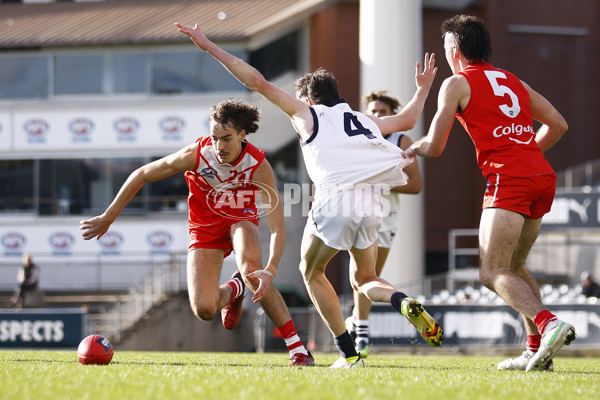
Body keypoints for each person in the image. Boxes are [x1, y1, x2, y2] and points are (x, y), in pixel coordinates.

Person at [176, 22, 443, 369]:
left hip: (334, 201)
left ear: (307, 99)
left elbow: (256, 81)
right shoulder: (364, 119)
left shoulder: (306, 114)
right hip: (370, 203)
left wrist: (210, 46)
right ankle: (401, 300)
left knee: (311, 271)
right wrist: (422, 90)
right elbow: (407, 119)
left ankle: (349, 355)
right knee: (365, 278)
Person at [80, 99, 314, 367]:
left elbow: (277, 229)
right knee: (204, 309)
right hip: (204, 228)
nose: (218, 146)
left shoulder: (258, 166)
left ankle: (298, 350)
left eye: (226, 139)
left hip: (240, 219)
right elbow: (143, 173)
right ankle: (235, 289)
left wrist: (269, 270)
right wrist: (108, 217)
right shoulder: (198, 154)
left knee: (252, 271)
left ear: (242, 135)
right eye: (214, 138)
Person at [403, 14, 574, 372]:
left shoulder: (456, 83)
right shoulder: (514, 80)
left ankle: (548, 324)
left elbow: (434, 148)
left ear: (454, 50)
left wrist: (411, 147)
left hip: (508, 178)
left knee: (491, 270)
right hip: (541, 175)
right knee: (513, 266)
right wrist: (527, 155)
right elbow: (558, 124)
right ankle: (534, 351)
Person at [345, 91, 423, 358]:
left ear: (392, 114)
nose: (377, 116)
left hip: (387, 217)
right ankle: (362, 333)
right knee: (360, 274)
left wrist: (382, 181)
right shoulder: (357, 138)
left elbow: (415, 185)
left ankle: (357, 323)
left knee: (370, 275)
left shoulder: (400, 139)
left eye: (382, 111)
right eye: (373, 111)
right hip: (358, 212)